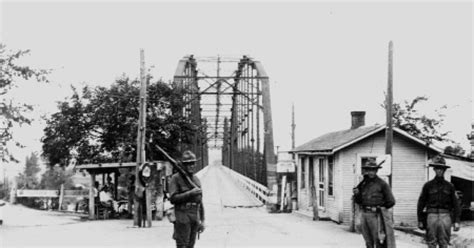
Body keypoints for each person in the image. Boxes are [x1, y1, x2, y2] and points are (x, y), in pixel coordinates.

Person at [417, 155, 461, 248]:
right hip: (431, 216)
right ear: (434, 170)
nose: (439, 171)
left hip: (445, 216)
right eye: (437, 169)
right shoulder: (428, 186)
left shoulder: (450, 186)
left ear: (444, 170)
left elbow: (456, 205)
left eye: (441, 169)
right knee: (431, 242)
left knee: (444, 242)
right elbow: (421, 203)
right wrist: (420, 220)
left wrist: (456, 221)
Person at [353, 158, 396, 248]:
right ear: (367, 171)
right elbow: (359, 201)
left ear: (376, 170)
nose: (371, 172)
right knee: (368, 241)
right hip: (364, 214)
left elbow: (391, 201)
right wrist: (357, 194)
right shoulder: (364, 183)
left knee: (378, 240)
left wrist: (380, 208)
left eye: (373, 170)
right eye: (369, 170)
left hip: (376, 216)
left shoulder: (382, 184)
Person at [169, 150, 205, 248]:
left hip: (194, 215)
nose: (191, 166)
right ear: (183, 165)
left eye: (193, 163)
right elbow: (173, 198)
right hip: (182, 214)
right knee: (182, 245)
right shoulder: (176, 178)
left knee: (191, 245)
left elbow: (200, 201)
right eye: (188, 164)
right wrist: (190, 193)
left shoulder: (196, 179)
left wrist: (202, 220)